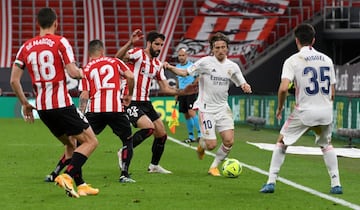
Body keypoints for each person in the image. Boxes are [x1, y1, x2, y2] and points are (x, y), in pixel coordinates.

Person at [10, 7, 99, 198]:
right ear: (56, 23)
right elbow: (73, 72)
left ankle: (80, 185)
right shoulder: (60, 42)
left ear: (38, 24)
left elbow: (13, 80)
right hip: (61, 105)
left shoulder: (25, 47)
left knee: (71, 145)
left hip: (42, 109)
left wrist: (25, 103)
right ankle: (66, 176)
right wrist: (88, 74)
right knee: (91, 141)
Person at [259, 23, 342, 194]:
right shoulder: (327, 59)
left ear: (296, 40)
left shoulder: (292, 61)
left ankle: (271, 181)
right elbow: (333, 92)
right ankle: (336, 184)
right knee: (326, 145)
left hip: (305, 111)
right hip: (325, 111)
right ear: (313, 40)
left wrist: (280, 107)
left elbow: (283, 88)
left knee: (282, 141)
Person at [164, 32, 252, 176]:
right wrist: (170, 68)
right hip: (206, 109)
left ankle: (214, 167)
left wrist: (245, 86)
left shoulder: (233, 66)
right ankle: (202, 146)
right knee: (211, 145)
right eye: (217, 47)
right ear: (212, 49)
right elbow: (186, 72)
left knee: (229, 141)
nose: (220, 50)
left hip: (223, 108)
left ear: (227, 48)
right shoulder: (205, 62)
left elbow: (241, 81)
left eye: (223, 47)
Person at [115, 30, 198, 174]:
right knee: (148, 128)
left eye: (161, 45)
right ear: (149, 43)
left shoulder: (158, 65)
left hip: (146, 102)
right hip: (130, 100)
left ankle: (154, 166)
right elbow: (118, 58)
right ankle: (123, 151)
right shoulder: (137, 53)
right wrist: (130, 43)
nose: (159, 48)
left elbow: (165, 88)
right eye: (156, 44)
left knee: (162, 134)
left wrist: (183, 92)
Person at [78, 39, 136, 183]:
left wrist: (80, 114)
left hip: (95, 110)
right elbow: (130, 76)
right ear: (102, 51)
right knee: (127, 140)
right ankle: (124, 174)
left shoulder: (86, 68)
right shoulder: (114, 62)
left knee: (82, 142)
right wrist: (129, 94)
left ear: (89, 53)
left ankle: (73, 172)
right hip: (115, 109)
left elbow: (85, 94)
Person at [175, 48, 202, 143]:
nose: (181, 57)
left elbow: (199, 76)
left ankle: (200, 134)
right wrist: (176, 93)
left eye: (183, 55)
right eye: (180, 55)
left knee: (191, 112)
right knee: (186, 115)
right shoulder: (177, 66)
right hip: (182, 93)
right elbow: (178, 81)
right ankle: (191, 136)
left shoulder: (191, 66)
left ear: (186, 56)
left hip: (191, 93)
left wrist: (194, 84)